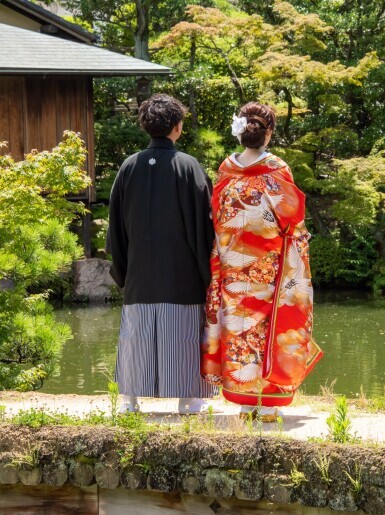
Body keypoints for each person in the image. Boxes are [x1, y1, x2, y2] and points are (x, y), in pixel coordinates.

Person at [201, 102, 322, 419]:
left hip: (233, 265)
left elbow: (217, 217)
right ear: (268, 134)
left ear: (241, 132)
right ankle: (267, 405)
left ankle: (244, 401)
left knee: (240, 330)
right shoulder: (277, 171)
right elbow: (292, 220)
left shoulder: (226, 170)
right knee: (270, 330)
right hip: (270, 267)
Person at [107, 94, 216, 414]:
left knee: (136, 335)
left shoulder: (129, 166)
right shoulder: (188, 166)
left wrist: (123, 269)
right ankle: (189, 398)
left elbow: (115, 225)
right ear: (177, 127)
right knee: (182, 335)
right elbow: (205, 224)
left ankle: (129, 398)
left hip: (140, 272)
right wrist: (207, 272)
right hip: (181, 273)